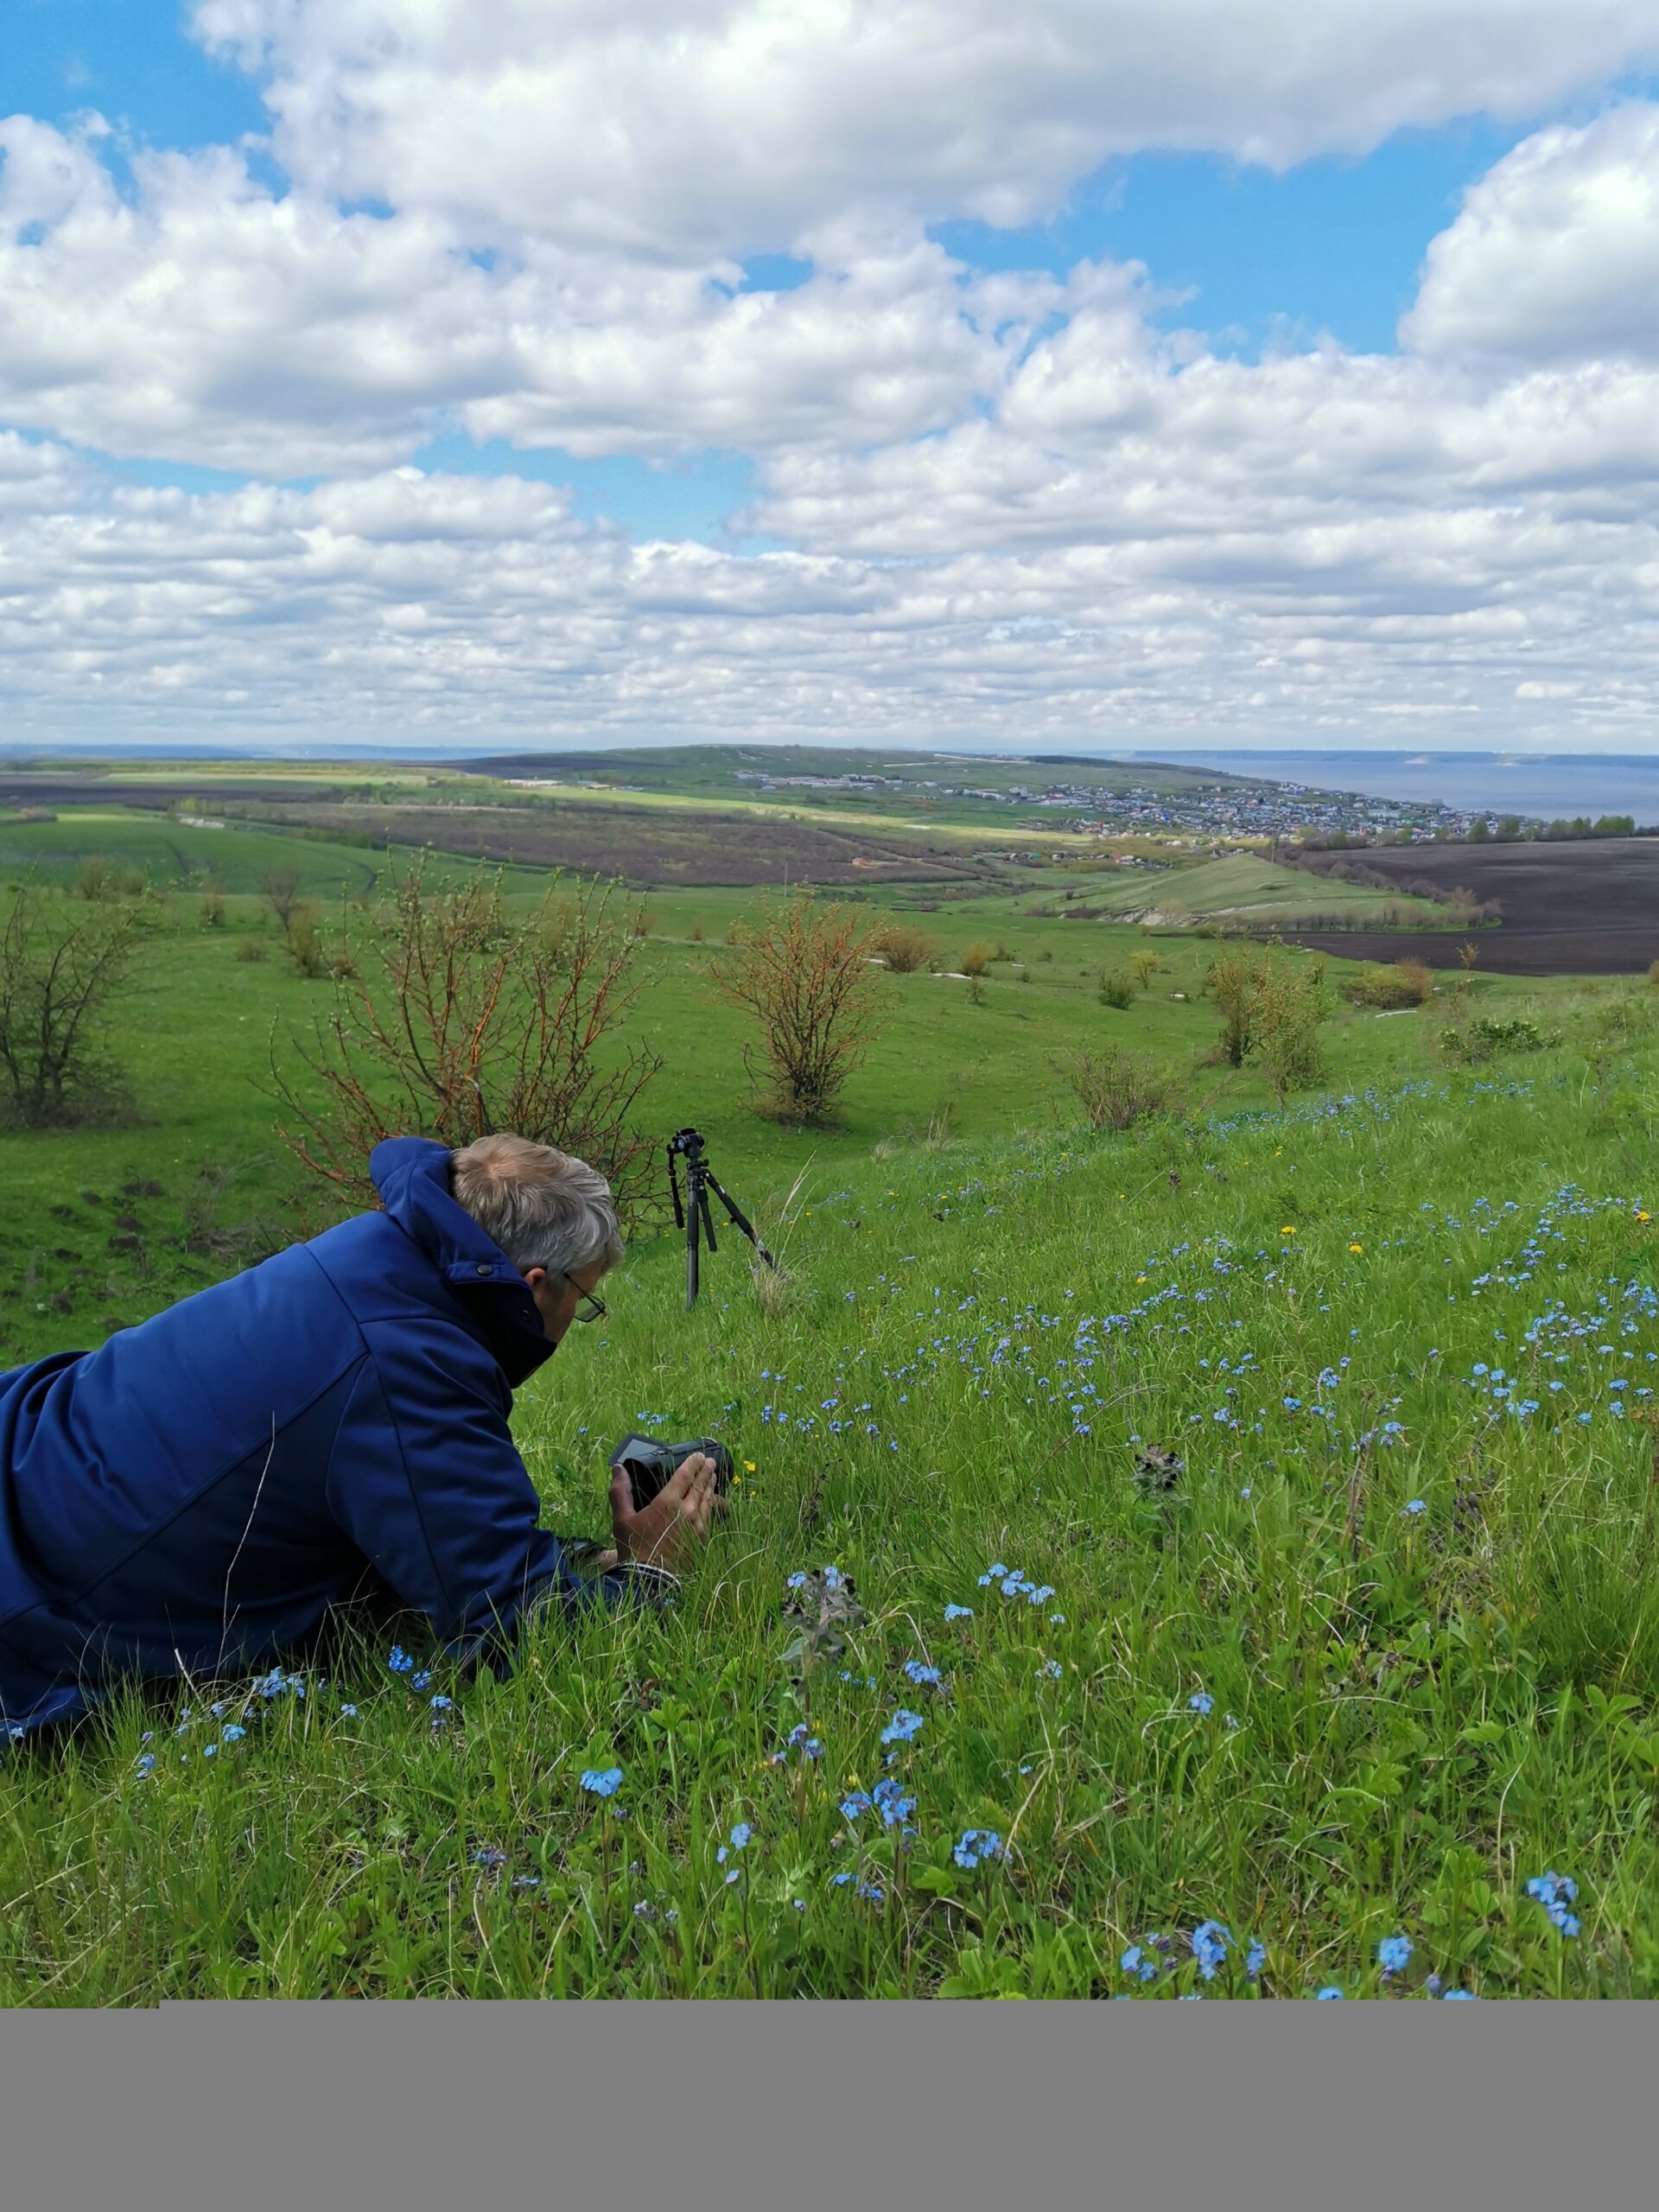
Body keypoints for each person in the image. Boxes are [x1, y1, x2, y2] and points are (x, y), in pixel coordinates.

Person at [0, 1132, 720, 1741]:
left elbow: (403, 1508)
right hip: (31, 1593)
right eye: (586, 1299)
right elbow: (518, 1633)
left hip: (28, 1440)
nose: (579, 1317)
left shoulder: (385, 1255)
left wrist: (561, 1555)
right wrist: (651, 1571)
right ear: (537, 1286)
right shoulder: (406, 1362)